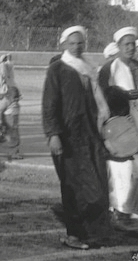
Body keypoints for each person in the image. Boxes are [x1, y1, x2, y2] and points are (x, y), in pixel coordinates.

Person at [42, 25, 113, 250]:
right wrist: (53, 134)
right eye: (72, 43)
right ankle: (75, 233)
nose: (76, 46)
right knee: (74, 188)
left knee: (98, 187)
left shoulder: (89, 69)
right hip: (68, 139)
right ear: (64, 44)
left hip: (91, 137)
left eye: (80, 42)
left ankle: (84, 227)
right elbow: (50, 105)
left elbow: (100, 103)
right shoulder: (57, 69)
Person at [98, 26, 138, 220]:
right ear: (118, 46)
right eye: (126, 44)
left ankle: (131, 208)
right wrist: (123, 96)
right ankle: (117, 209)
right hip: (117, 123)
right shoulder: (110, 67)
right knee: (121, 169)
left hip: (137, 122)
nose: (130, 48)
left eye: (132, 44)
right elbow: (103, 95)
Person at [0, 85, 22, 160]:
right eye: (14, 98)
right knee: (4, 138)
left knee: (14, 139)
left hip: (13, 124)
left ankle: (14, 152)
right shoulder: (5, 101)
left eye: (17, 97)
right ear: (9, 96)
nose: (16, 100)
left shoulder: (14, 102)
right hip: (6, 124)